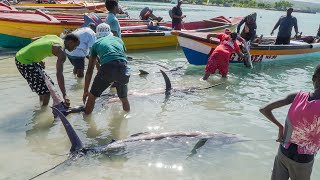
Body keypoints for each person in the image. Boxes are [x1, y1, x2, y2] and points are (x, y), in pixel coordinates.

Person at [259, 65, 320, 180]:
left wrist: (280, 127)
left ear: (313, 78)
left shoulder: (297, 96)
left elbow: (264, 109)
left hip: (284, 152)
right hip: (303, 160)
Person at [15, 34, 80, 106]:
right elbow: (59, 74)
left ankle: (41, 105)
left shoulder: (55, 37)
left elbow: (34, 40)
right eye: (75, 46)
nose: (75, 48)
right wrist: (64, 94)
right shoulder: (60, 51)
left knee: (48, 85)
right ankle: (42, 112)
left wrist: (38, 59)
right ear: (70, 42)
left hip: (21, 55)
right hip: (24, 62)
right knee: (46, 91)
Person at [83, 23, 130, 114]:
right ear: (110, 33)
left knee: (92, 97)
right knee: (124, 98)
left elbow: (89, 70)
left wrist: (86, 91)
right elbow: (122, 58)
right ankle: (127, 119)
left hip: (108, 67)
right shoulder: (119, 40)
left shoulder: (96, 43)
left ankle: (86, 122)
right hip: (123, 68)